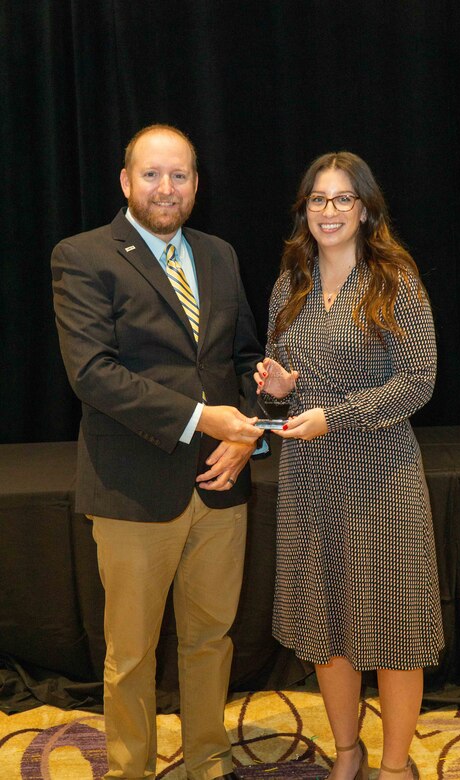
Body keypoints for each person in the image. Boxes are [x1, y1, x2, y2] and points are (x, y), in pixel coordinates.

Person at [51, 124, 265, 780]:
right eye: (152, 174)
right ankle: (130, 770)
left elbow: (244, 360)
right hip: (133, 490)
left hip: (221, 488)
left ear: (197, 185)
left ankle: (207, 763)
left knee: (209, 642)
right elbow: (92, 373)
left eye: (180, 176)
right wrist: (206, 420)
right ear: (125, 182)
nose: (166, 188)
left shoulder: (221, 254)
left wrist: (248, 430)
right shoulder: (83, 255)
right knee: (132, 657)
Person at [254, 152, 443, 780]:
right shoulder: (291, 281)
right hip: (310, 480)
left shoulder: (396, 280)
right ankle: (346, 752)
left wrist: (337, 416)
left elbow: (419, 382)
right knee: (327, 620)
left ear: (365, 208)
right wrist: (278, 388)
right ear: (303, 210)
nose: (328, 211)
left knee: (391, 625)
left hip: (383, 477)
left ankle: (392, 765)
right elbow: (282, 374)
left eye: (341, 199)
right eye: (317, 199)